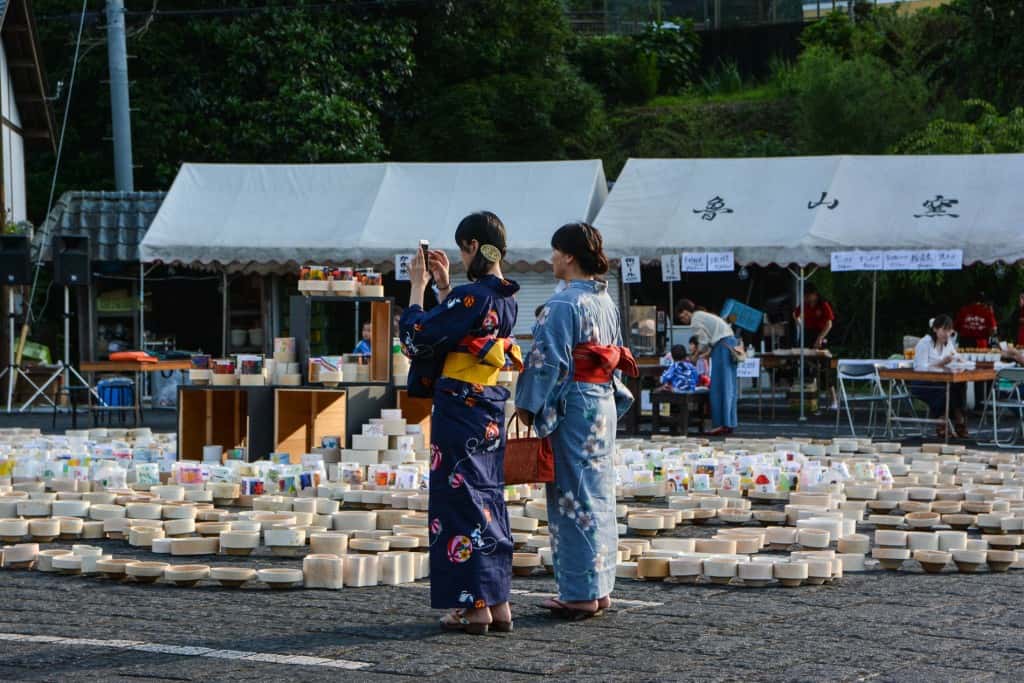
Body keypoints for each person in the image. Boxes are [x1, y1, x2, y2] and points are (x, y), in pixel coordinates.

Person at [398, 211, 521, 635]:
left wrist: (417, 286)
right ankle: (497, 600)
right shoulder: (506, 298)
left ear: (471, 246)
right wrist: (447, 288)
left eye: (463, 249)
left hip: (458, 406)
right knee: (488, 495)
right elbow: (464, 322)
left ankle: (472, 606)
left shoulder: (472, 297)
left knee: (458, 497)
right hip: (488, 405)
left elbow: (419, 336)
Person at [514, 222, 636, 620]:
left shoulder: (562, 304)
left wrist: (528, 404)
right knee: (597, 495)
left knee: (572, 497)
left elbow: (546, 362)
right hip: (599, 401)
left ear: (568, 255)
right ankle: (599, 587)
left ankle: (580, 593)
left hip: (573, 404)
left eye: (554, 252)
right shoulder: (605, 301)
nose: (550, 259)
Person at [676, 299, 739, 436]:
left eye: (682, 317)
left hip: (722, 346)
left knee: (718, 387)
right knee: (729, 386)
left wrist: (695, 356)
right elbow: (710, 341)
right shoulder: (702, 315)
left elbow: (703, 341)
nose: (683, 320)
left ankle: (721, 424)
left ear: (687, 312)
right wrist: (704, 354)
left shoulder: (695, 319)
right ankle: (729, 422)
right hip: (727, 344)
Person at [910, 314, 968, 439]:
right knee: (944, 389)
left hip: (941, 380)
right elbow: (920, 368)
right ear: (935, 329)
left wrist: (960, 361)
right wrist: (941, 363)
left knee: (959, 384)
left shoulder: (948, 343)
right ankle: (941, 422)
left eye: (949, 330)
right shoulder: (925, 343)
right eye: (943, 330)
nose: (946, 334)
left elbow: (956, 357)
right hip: (922, 382)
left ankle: (960, 419)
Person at [792, 283, 834, 349]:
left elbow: (829, 324)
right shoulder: (805, 304)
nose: (805, 298)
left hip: (820, 332)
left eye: (808, 296)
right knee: (802, 353)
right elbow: (795, 313)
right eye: (804, 296)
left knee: (819, 355)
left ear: (815, 294)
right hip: (807, 332)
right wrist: (800, 324)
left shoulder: (823, 304)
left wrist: (819, 338)